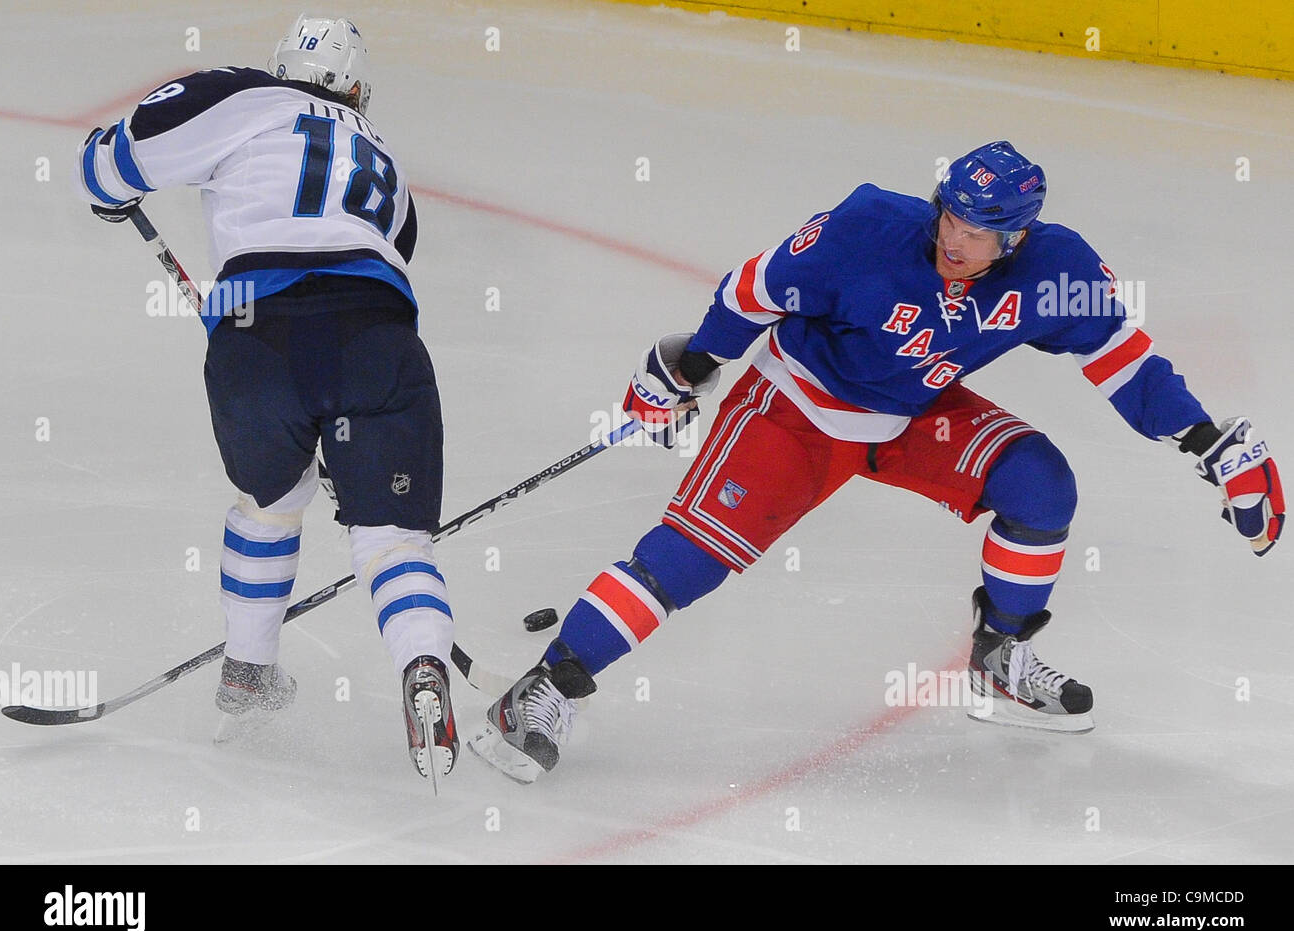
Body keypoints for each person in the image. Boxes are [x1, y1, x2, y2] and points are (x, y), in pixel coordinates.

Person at [468, 141, 1285, 783]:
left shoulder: (1054, 271)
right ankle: (541, 688)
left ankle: (1001, 663)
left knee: (1041, 484)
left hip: (908, 414)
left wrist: (1206, 441)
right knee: (688, 561)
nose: (953, 239)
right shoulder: (866, 229)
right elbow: (753, 291)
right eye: (949, 218)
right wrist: (688, 369)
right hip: (796, 409)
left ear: (1018, 236)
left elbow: (1124, 359)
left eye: (976, 231)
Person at [76, 15, 458, 782]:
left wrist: (104, 180)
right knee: (391, 539)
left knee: (271, 499)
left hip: (258, 342)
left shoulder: (243, 95)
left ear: (282, 66)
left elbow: (115, 163)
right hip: (377, 341)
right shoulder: (383, 156)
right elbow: (393, 246)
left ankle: (247, 674)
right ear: (356, 90)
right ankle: (421, 663)